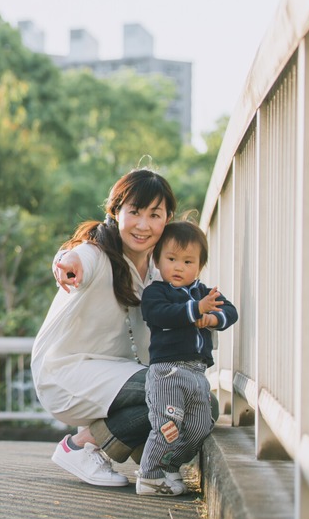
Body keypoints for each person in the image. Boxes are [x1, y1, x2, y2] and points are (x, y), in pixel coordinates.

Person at [31, 168, 176, 487]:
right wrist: (67, 264)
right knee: (175, 389)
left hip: (114, 374)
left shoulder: (158, 267)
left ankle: (146, 458)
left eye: (155, 215)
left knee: (201, 402)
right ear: (115, 212)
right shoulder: (98, 252)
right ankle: (81, 445)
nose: (143, 225)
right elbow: (76, 257)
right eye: (134, 212)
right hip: (66, 372)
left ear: (167, 219)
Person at [136, 220, 237, 496]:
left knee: (199, 426)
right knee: (168, 426)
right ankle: (149, 476)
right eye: (171, 259)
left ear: (200, 266)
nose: (178, 267)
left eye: (188, 261)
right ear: (157, 260)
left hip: (197, 373)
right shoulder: (156, 292)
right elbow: (160, 315)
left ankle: (169, 465)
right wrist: (194, 309)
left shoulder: (204, 293)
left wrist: (213, 317)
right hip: (168, 372)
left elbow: (231, 312)